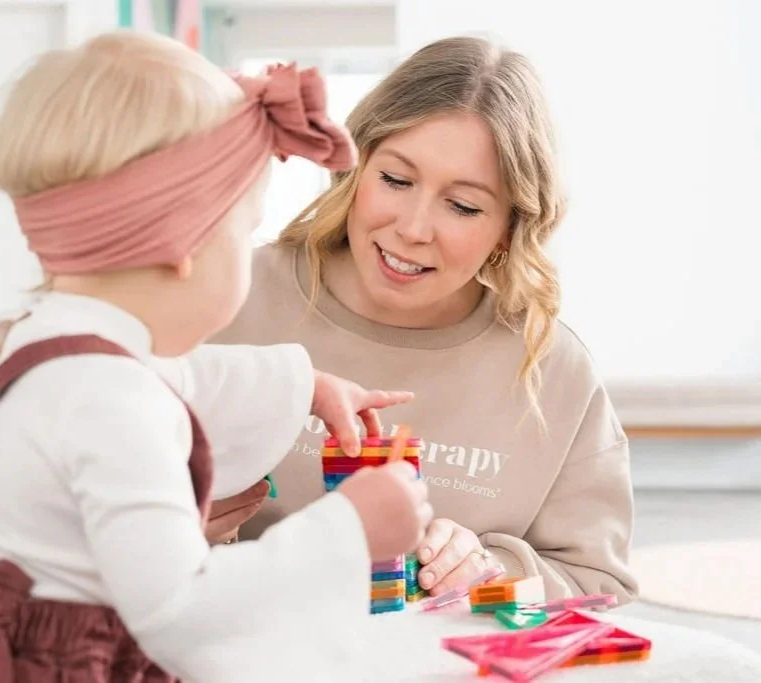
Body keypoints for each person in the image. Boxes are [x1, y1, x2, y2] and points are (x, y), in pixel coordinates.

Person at [0, 32, 432, 683]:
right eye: (247, 230)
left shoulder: (37, 339)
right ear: (184, 245)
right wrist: (348, 530)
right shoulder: (109, 401)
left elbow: (175, 380)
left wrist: (303, 385)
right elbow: (183, 611)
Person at [207, 35, 638, 604]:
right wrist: (182, 532)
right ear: (354, 168)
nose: (413, 227)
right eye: (395, 179)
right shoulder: (223, 295)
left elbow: (601, 588)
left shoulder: (554, 372)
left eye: (462, 206)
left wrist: (492, 569)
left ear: (510, 227)